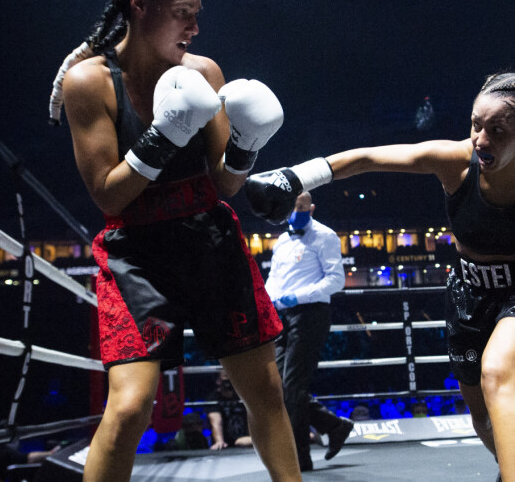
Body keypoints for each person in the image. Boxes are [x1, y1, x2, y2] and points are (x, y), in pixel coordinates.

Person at [50, 0, 301, 482]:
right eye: (183, 11)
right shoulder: (89, 83)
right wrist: (163, 134)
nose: (195, 25)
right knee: (128, 408)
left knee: (266, 390)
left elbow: (224, 184)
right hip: (136, 254)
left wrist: (246, 146)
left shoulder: (203, 72)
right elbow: (108, 196)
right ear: (140, 5)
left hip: (209, 239)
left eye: (197, 13)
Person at [244, 72, 515, 481]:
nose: (481, 139)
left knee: (499, 372)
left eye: (497, 130)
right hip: (469, 294)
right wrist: (296, 177)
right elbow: (368, 158)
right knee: (482, 416)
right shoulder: (455, 161)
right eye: (476, 125)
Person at [265, 191, 353, 471]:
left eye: (301, 206)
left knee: (292, 386)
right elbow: (274, 279)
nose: (296, 211)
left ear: (311, 208)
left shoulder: (325, 236)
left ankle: (300, 458)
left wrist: (298, 296)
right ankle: (334, 426)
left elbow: (336, 280)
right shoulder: (280, 240)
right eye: (292, 206)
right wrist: (266, 303)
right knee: (279, 387)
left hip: (311, 314)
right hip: (283, 315)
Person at [206, 370, 252, 450]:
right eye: (226, 377)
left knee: (241, 441)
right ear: (218, 380)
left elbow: (253, 416)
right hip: (226, 443)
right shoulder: (214, 398)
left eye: (231, 377)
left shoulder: (244, 395)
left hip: (246, 439)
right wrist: (219, 441)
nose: (228, 382)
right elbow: (215, 420)